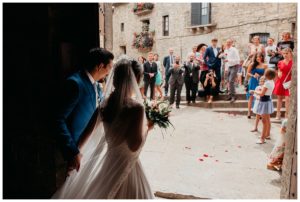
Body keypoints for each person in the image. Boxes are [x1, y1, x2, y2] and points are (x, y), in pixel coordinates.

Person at [52, 56, 155, 199]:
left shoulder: (105, 104)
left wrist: (76, 154)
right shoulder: (136, 108)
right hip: (128, 167)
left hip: (109, 164)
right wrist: (147, 127)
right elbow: (133, 146)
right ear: (135, 79)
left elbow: (87, 132)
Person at [54, 48, 114, 177]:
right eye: (109, 68)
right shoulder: (75, 84)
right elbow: (58, 119)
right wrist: (73, 151)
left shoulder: (96, 84)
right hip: (73, 151)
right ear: (100, 66)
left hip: (88, 146)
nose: (109, 73)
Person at [251, 68, 276, 144]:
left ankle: (262, 139)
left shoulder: (267, 83)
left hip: (264, 102)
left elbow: (261, 94)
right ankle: (267, 134)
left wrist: (254, 91)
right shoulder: (272, 82)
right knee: (268, 120)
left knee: (264, 121)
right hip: (268, 101)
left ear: (267, 75)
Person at [273, 47, 293, 120]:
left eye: (287, 53)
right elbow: (278, 70)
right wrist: (278, 73)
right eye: (284, 53)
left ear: (290, 53)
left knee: (288, 99)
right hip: (281, 81)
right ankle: (278, 113)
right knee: (279, 98)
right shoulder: (280, 62)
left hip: (290, 82)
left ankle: (287, 114)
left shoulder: (294, 62)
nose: (285, 55)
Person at [246, 52, 267, 118]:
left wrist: (261, 76)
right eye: (257, 57)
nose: (258, 58)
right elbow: (247, 73)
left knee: (260, 97)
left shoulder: (265, 65)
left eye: (260, 56)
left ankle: (259, 112)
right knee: (251, 96)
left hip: (261, 82)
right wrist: (253, 75)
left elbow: (265, 75)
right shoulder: (252, 64)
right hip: (253, 81)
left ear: (262, 57)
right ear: (255, 58)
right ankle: (249, 112)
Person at [224, 39, 241, 103]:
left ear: (231, 43)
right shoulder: (226, 50)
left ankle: (233, 96)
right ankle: (230, 95)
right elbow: (226, 60)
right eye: (227, 42)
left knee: (231, 81)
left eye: (229, 42)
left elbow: (238, 60)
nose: (228, 43)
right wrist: (226, 68)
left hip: (235, 66)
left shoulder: (234, 50)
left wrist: (229, 61)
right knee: (228, 81)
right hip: (229, 67)